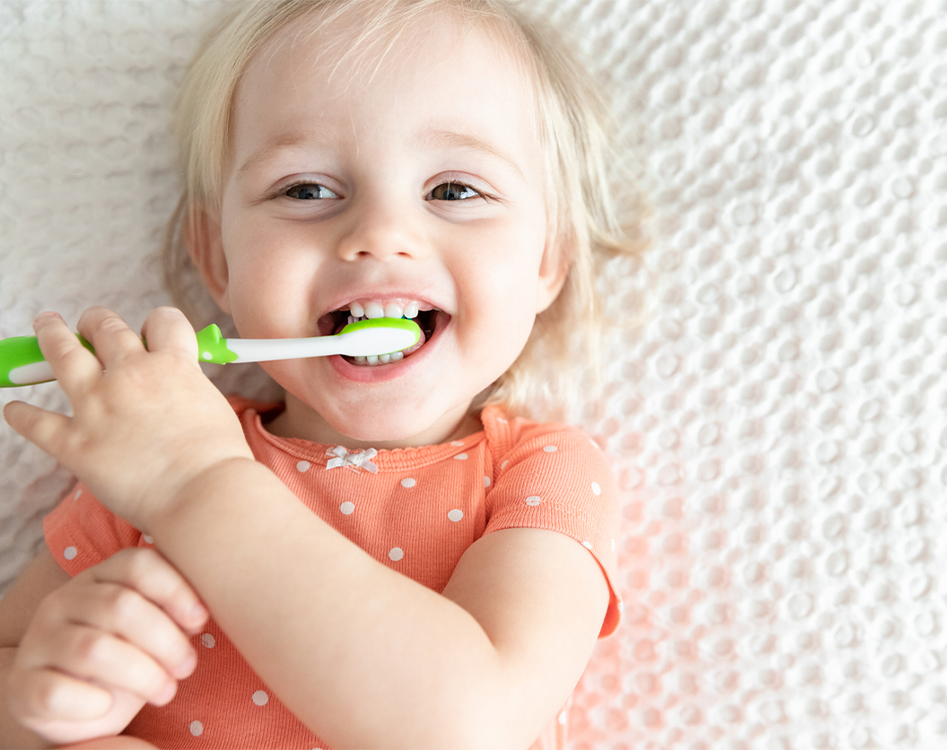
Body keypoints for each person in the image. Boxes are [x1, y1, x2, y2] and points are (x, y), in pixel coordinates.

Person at [0, 0, 644, 747]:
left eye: (454, 191)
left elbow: (466, 726)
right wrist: (39, 704)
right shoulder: (155, 445)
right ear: (220, 259)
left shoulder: (541, 474)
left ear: (547, 261)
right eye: (305, 190)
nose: (380, 235)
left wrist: (196, 487)